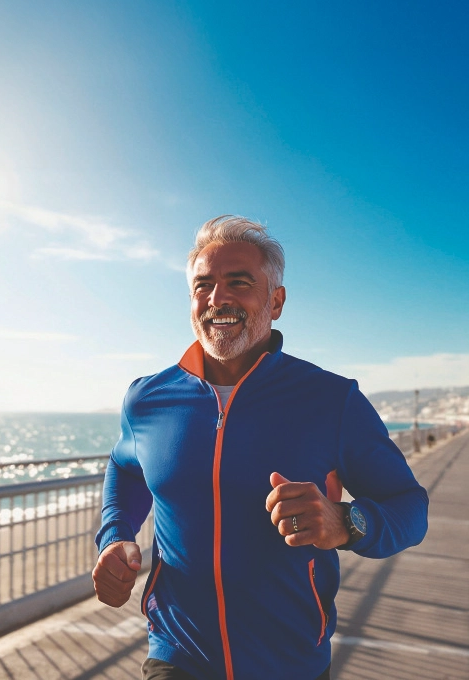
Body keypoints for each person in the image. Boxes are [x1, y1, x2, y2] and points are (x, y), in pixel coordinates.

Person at [92, 215, 428, 680]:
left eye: (239, 282)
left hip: (290, 664)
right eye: (203, 285)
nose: (217, 298)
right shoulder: (147, 399)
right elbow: (126, 467)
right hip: (176, 655)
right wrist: (115, 536)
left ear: (277, 300)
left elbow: (410, 507)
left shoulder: (332, 400)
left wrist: (347, 522)